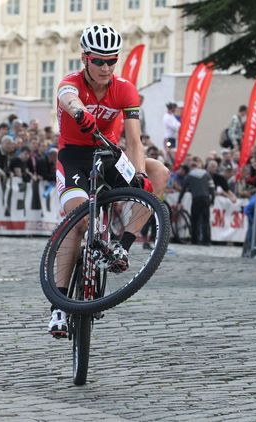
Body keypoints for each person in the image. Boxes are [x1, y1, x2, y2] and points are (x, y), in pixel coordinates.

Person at [47, 24, 169, 337]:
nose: (105, 67)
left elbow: (134, 139)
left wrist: (139, 174)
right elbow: (67, 98)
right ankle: (59, 305)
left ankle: (122, 246)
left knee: (159, 174)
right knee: (78, 221)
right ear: (84, 59)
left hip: (109, 154)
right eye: (98, 61)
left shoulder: (125, 89)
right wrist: (79, 114)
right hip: (74, 156)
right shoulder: (71, 83)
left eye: (111, 61)